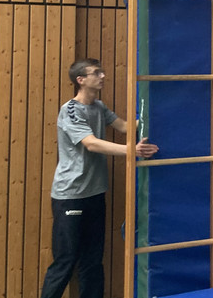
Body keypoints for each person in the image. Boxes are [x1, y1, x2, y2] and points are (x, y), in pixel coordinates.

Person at [39, 59, 159, 298]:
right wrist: (131, 151)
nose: (103, 76)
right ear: (80, 80)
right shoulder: (70, 110)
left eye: (102, 71)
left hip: (95, 195)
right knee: (66, 260)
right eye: (96, 73)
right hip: (71, 197)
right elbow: (91, 144)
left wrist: (153, 113)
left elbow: (125, 127)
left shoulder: (99, 107)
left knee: (93, 260)